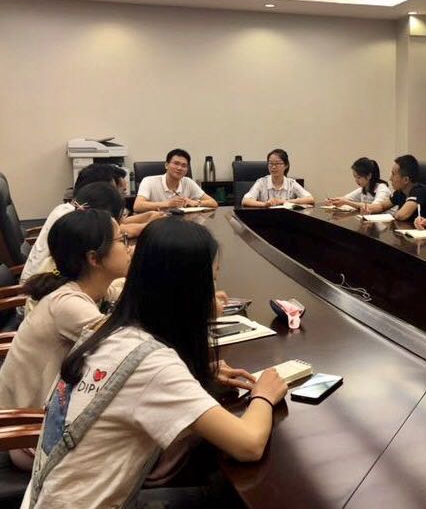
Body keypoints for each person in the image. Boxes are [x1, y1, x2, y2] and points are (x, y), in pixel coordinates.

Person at [21, 217, 287, 507]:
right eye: (210, 280)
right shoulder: (152, 364)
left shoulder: (107, 332)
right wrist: (264, 395)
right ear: (187, 291)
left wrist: (198, 376)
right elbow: (248, 444)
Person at [0, 208, 131, 411]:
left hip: (54, 405)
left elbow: (122, 290)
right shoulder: (68, 306)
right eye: (122, 240)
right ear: (94, 259)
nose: (129, 248)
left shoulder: (87, 289)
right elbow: (129, 348)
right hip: (26, 421)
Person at [21, 165, 160, 284]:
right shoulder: (75, 221)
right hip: (42, 286)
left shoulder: (71, 209)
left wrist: (147, 218)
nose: (116, 196)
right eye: (113, 191)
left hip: (47, 281)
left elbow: (118, 227)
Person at [133, 148, 218, 212]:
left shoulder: (188, 182)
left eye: (184, 165)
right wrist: (168, 204)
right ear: (166, 165)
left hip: (182, 224)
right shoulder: (149, 181)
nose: (179, 168)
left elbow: (213, 203)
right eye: (176, 163)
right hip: (156, 224)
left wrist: (195, 203)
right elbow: (137, 206)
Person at [362, 154, 426, 221]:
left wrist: (391, 215)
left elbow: (402, 215)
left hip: (425, 231)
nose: (390, 178)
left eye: (393, 174)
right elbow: (382, 206)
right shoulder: (400, 192)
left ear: (405, 180)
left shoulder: (420, 191)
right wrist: (368, 209)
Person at [241, 148, 314, 207]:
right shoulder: (262, 182)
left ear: (286, 165)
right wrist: (264, 204)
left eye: (277, 163)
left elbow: (310, 199)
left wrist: (284, 201)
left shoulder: (291, 183)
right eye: (270, 163)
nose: (273, 167)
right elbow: (245, 200)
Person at [326, 157, 393, 211]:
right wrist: (333, 201)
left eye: (358, 177)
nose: (356, 180)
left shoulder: (382, 189)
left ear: (369, 176)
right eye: (354, 177)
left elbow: (373, 208)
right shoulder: (364, 188)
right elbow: (345, 198)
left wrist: (346, 202)